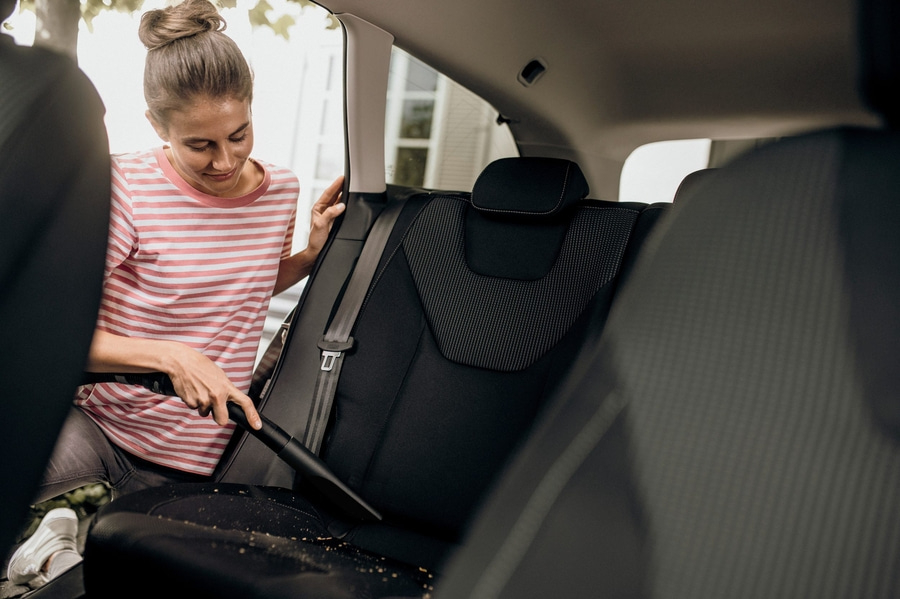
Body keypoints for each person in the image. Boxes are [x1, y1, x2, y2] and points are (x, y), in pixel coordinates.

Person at [7, 0, 345, 588]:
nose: (225, 160)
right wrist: (171, 356)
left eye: (238, 135)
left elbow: (236, 284)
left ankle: (56, 548)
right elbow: (49, 334)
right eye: (199, 145)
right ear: (157, 126)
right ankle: (49, 538)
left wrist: (308, 258)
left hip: (193, 452)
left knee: (116, 577)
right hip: (98, 422)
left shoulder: (280, 191)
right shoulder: (127, 187)